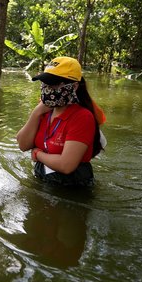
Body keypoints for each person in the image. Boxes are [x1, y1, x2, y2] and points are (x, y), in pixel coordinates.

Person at [16, 56, 106, 187]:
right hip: (44, 179)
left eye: (53, 84)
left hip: (71, 188)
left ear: (74, 86)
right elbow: (23, 145)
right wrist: (36, 113)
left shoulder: (82, 117)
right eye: (44, 83)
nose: (46, 89)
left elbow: (66, 165)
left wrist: (38, 154)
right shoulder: (44, 110)